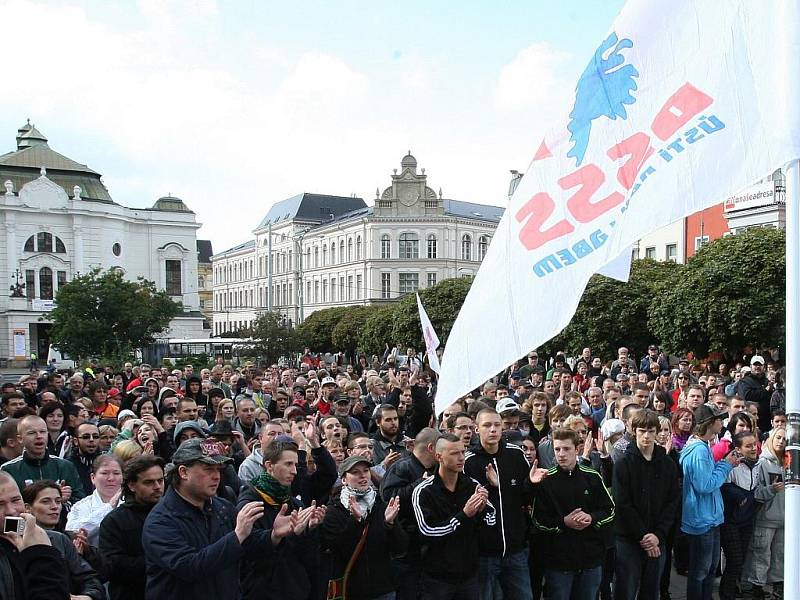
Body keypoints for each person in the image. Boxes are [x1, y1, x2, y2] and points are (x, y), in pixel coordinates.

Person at [142, 437, 289, 600]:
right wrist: (237, 535)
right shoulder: (160, 521)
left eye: (218, 469)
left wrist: (273, 535)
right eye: (208, 469)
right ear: (183, 472)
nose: (216, 476)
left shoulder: (222, 507)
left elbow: (246, 544)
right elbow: (190, 567)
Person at [237, 438, 326, 600]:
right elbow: (245, 552)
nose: (295, 471)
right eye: (288, 464)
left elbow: (308, 559)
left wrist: (309, 529)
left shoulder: (294, 503)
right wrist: (273, 536)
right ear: (269, 466)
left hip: (296, 591)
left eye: (295, 464)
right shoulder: (250, 502)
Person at [532, 428, 615, 600]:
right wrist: (564, 522)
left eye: (566, 449)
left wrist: (591, 518)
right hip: (559, 562)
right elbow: (538, 520)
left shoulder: (592, 476)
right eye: (557, 449)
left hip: (590, 560)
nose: (561, 454)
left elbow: (610, 510)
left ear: (577, 450)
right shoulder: (546, 480)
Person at [412, 433, 495, 599]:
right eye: (454, 453)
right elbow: (428, 531)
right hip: (437, 578)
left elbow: (491, 520)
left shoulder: (472, 485)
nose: (461, 458)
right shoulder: (423, 491)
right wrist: (464, 515)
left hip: (469, 575)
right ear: (438, 456)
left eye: (462, 452)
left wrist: (482, 510)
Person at [463, 408, 534, 600]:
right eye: (487, 425)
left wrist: (533, 484)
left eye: (496, 425)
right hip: (483, 553)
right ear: (476, 429)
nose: (493, 430)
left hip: (515, 549)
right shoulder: (468, 462)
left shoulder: (516, 454)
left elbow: (525, 497)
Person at [612, 409, 679, 600]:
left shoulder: (667, 464)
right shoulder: (623, 463)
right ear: (634, 431)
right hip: (629, 540)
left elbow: (672, 503)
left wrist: (657, 535)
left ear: (657, 432)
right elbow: (622, 503)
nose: (647, 436)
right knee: (625, 591)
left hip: (658, 539)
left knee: (651, 592)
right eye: (642, 431)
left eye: (651, 431)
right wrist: (643, 536)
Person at [321, 454, 407, 600]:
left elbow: (400, 547)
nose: (362, 476)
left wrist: (390, 524)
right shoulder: (334, 510)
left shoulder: (380, 505)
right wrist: (355, 521)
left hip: (383, 589)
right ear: (343, 480)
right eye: (355, 472)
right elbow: (337, 549)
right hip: (351, 591)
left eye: (366, 471)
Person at [680, 404, 739, 600]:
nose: (722, 422)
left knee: (710, 569)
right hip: (702, 519)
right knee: (701, 572)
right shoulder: (698, 451)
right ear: (710, 423)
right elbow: (704, 485)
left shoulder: (704, 447)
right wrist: (726, 465)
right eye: (719, 419)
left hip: (710, 517)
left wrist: (723, 464)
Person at [379, 427, 441, 600]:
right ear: (431, 448)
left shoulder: (435, 470)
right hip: (405, 552)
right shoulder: (402, 467)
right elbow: (388, 499)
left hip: (426, 550)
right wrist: (419, 484)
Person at [21, 480, 106, 600]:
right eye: (46, 502)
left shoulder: (65, 539)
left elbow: (93, 579)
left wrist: (87, 596)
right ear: (28, 508)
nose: (54, 507)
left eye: (58, 501)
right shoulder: (18, 540)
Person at [99, 455, 165, 600]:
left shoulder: (174, 514)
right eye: (149, 482)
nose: (157, 487)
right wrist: (162, 561)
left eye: (160, 480)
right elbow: (112, 566)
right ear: (131, 485)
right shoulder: (114, 522)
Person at [0, 471, 70, 599]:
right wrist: (40, 555)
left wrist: (88, 596)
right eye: (0, 504)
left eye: (16, 500)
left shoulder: (55, 539)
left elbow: (92, 581)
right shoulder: (41, 547)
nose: (10, 511)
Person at [2, 415, 85, 504]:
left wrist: (63, 501)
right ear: (20, 439)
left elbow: (81, 503)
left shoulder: (65, 466)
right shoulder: (8, 470)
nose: (39, 436)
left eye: (42, 432)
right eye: (32, 433)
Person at [745, 427, 786, 599]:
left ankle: (778, 586)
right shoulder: (762, 463)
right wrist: (771, 489)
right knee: (761, 555)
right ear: (771, 438)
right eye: (778, 437)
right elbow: (755, 491)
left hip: (784, 520)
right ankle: (756, 587)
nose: (781, 441)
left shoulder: (790, 463)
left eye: (785, 439)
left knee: (780, 556)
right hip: (766, 518)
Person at [719, 431, 759, 600]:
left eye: (754, 445)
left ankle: (732, 590)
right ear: (738, 448)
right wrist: (739, 496)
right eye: (748, 446)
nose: (753, 449)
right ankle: (726, 594)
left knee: (740, 561)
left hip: (747, 519)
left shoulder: (758, 464)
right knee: (734, 560)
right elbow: (723, 487)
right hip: (730, 520)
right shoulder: (732, 464)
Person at [66, 454, 124, 547]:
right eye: (105, 473)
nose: (111, 478)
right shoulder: (80, 506)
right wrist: (109, 508)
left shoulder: (131, 503)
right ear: (93, 477)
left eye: (116, 473)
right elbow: (73, 533)